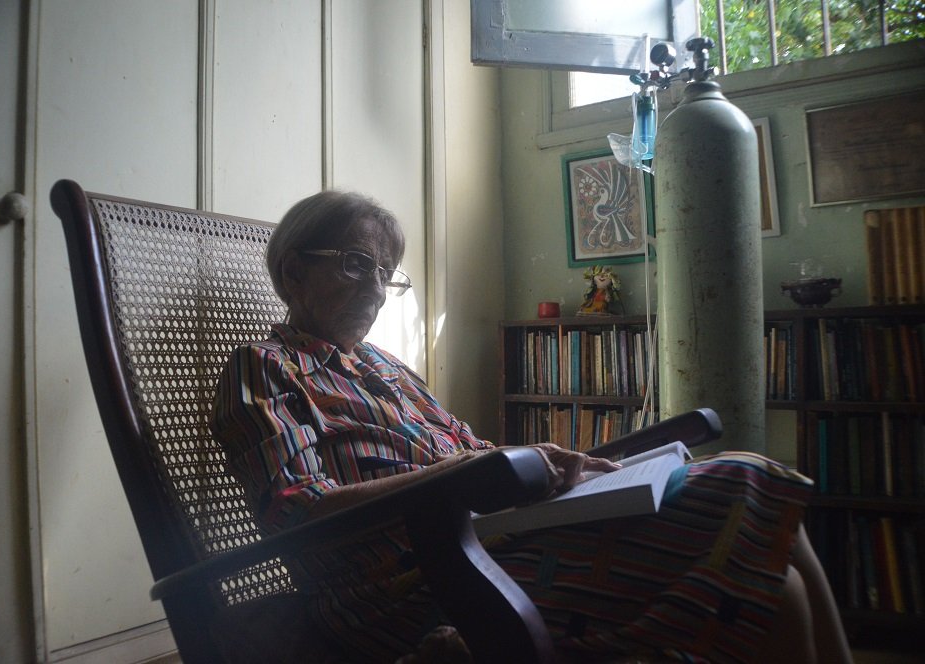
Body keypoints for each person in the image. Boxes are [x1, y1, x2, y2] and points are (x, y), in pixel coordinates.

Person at [209, 190, 853, 664]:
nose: (376, 287)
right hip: (409, 581)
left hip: (493, 541)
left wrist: (565, 470)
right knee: (757, 547)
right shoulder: (265, 369)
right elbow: (294, 510)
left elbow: (470, 451)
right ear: (293, 272)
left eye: (386, 271)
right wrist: (465, 474)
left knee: (754, 489)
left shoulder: (386, 367)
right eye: (356, 262)